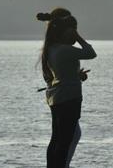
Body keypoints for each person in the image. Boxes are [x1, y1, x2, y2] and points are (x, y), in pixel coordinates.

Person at [37, 9, 96, 168]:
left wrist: (76, 76)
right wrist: (78, 37)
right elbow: (91, 53)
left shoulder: (52, 49)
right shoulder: (64, 50)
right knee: (65, 141)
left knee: (56, 139)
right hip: (69, 99)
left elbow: (60, 74)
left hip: (56, 98)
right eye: (72, 31)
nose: (74, 35)